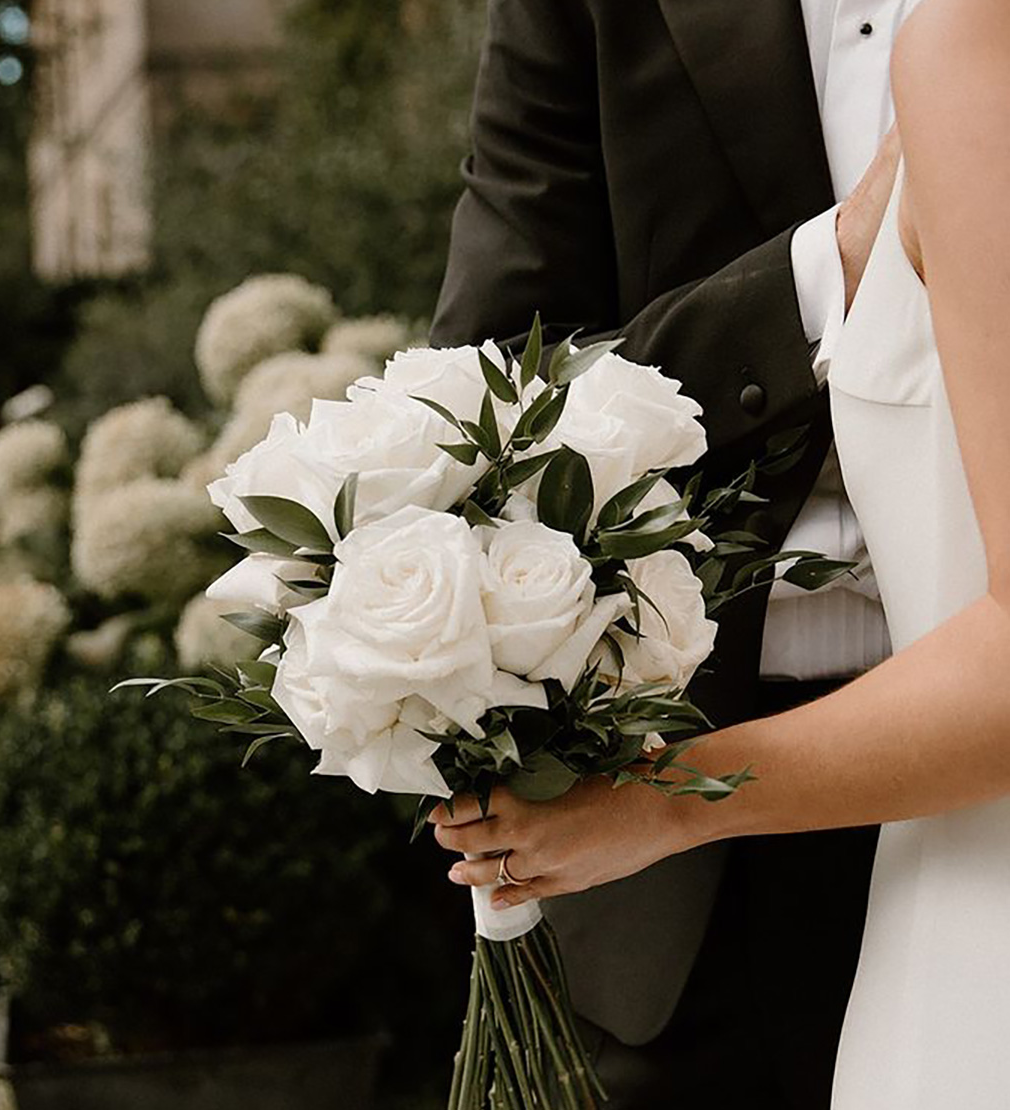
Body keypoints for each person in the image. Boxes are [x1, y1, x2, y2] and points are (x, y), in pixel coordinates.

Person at [434, 0, 1010, 1105]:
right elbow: (482, 412)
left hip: (921, 823)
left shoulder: (971, 49)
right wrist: (823, 275)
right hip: (686, 875)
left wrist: (665, 800)